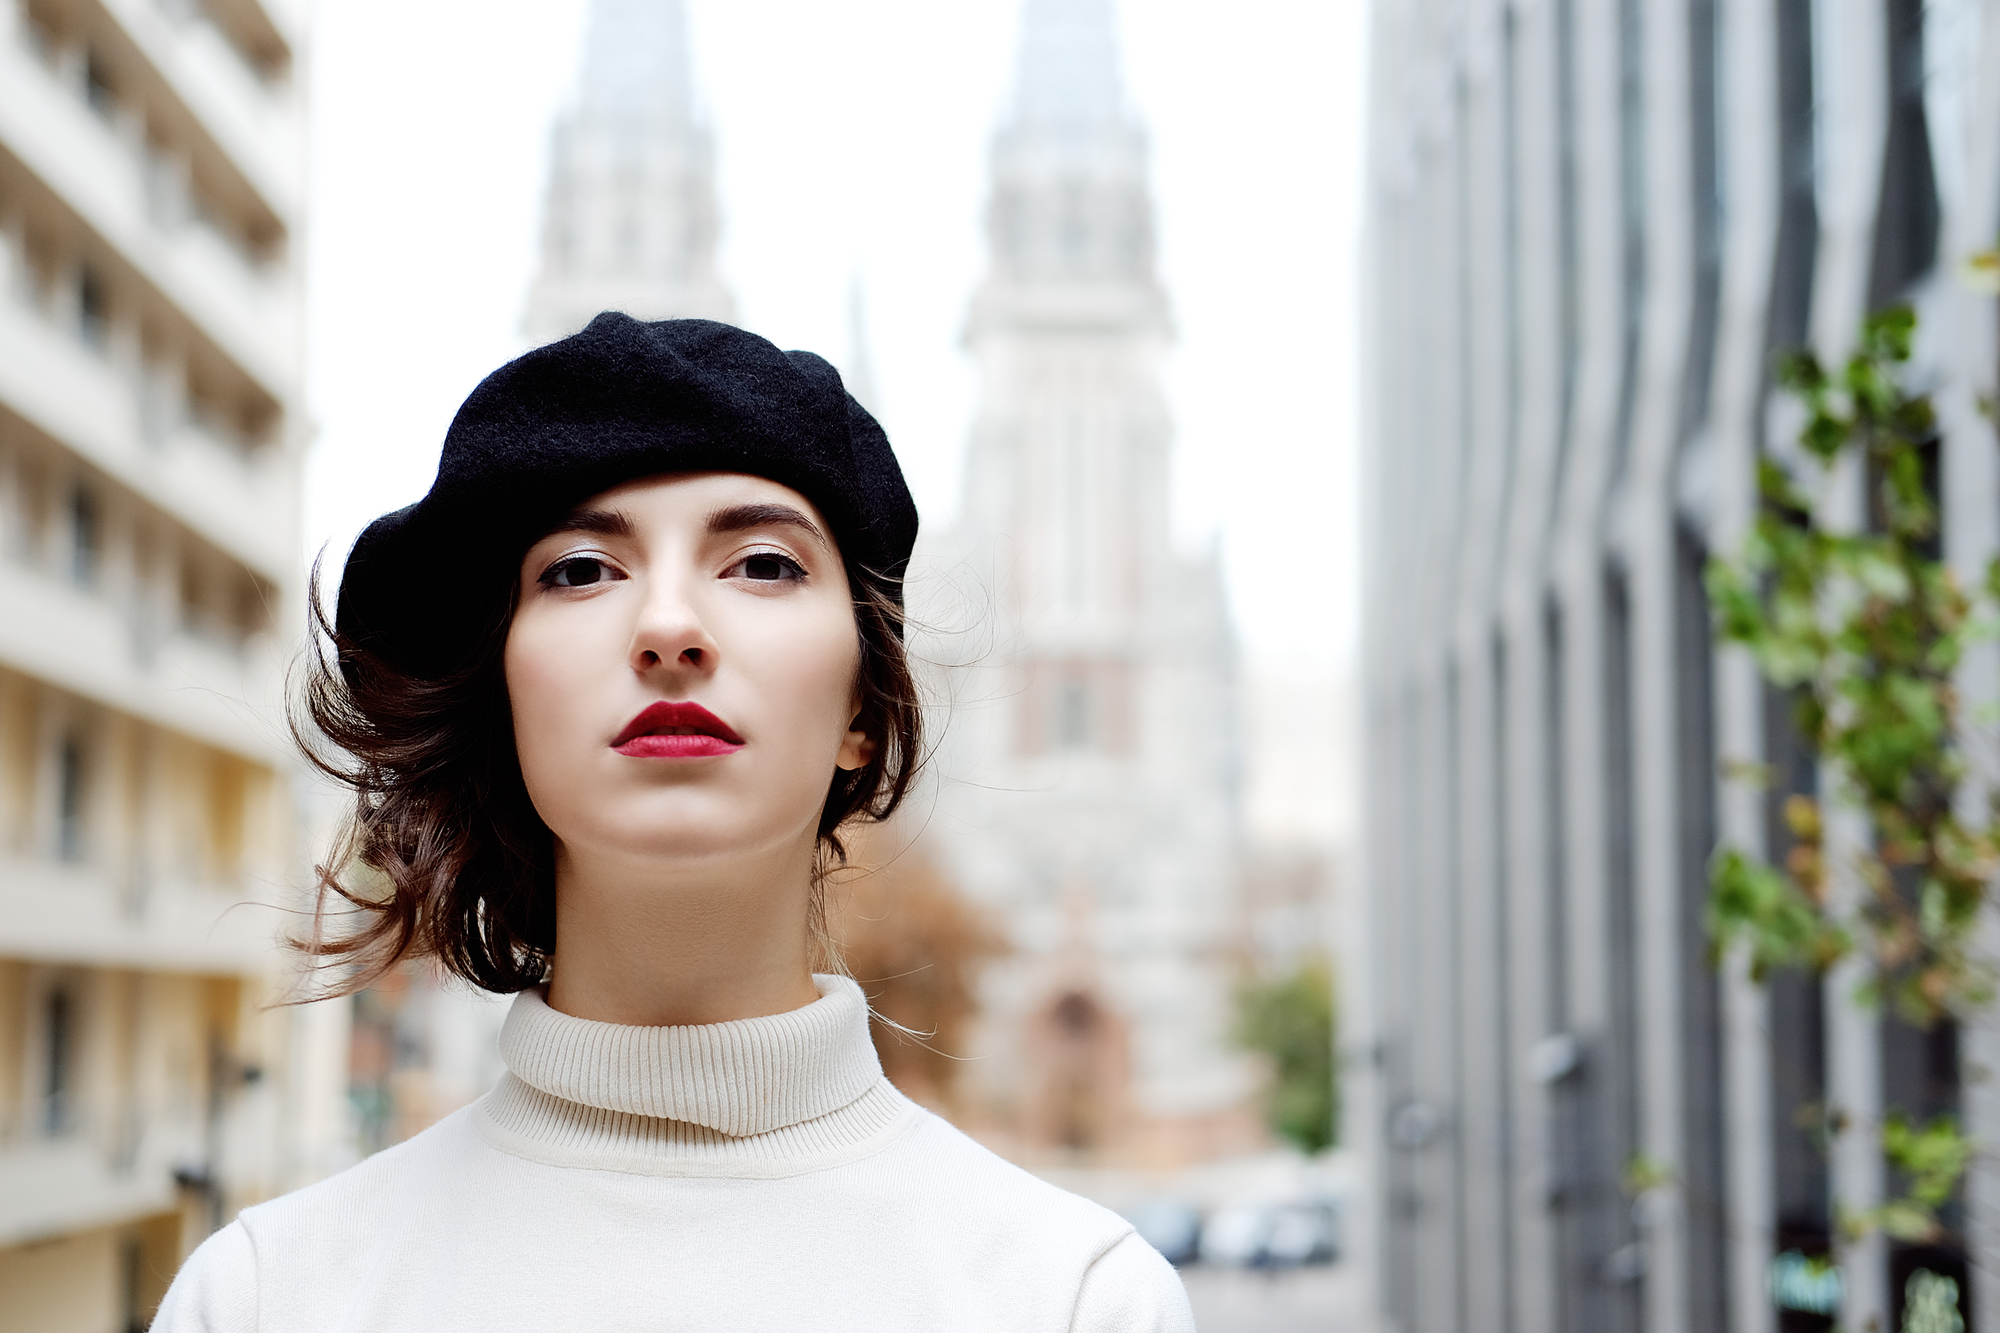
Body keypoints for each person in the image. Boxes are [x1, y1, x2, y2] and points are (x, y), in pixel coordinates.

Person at [152, 315, 1196, 1332]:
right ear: (500, 697)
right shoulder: (266, 1297)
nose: (667, 627)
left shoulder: (1075, 1300)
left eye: (761, 563)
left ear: (865, 713)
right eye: (579, 569)